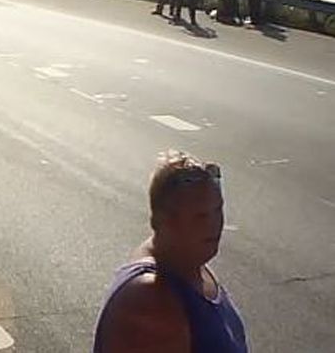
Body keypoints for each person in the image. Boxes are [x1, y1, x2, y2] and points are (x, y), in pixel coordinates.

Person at [92, 150, 248, 353]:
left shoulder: (190, 262)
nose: (214, 224)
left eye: (217, 209)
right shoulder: (151, 300)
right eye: (200, 216)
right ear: (162, 221)